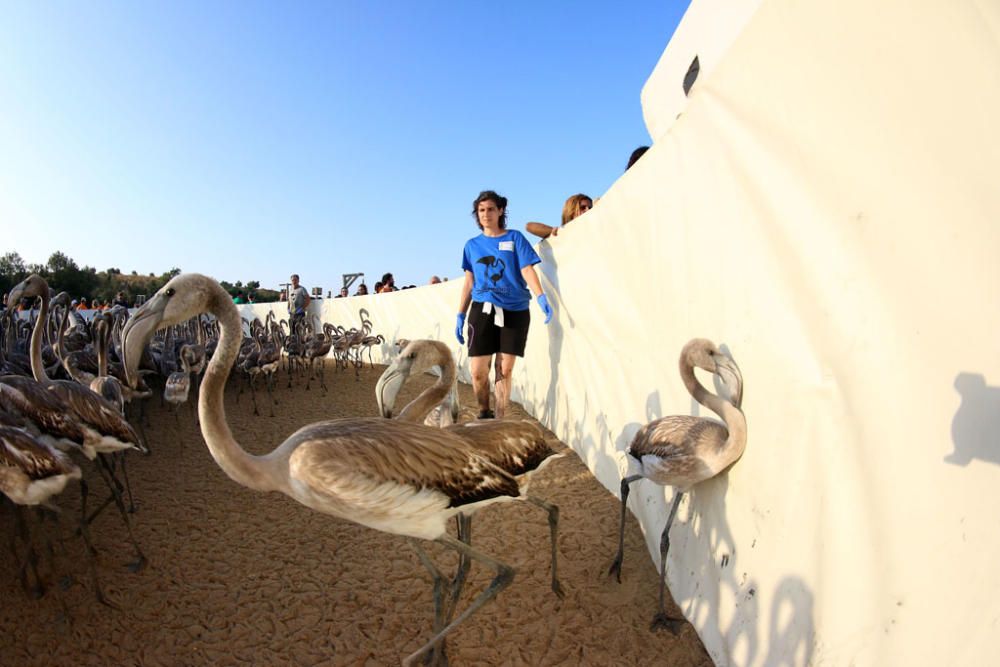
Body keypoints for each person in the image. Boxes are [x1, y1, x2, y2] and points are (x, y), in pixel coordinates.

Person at [456, 190, 553, 419]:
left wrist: (540, 296)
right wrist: (460, 314)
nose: (486, 214)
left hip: (515, 310)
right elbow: (469, 280)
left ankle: (499, 419)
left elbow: (527, 269)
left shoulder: (515, 238)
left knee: (504, 369)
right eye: (481, 210)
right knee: (478, 372)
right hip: (482, 310)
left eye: (491, 209)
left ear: (500, 211)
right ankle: (484, 411)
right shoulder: (472, 246)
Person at [526, 193, 593, 240]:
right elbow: (529, 226)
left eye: (590, 208)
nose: (588, 210)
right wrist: (556, 232)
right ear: (571, 211)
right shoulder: (563, 233)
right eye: (583, 208)